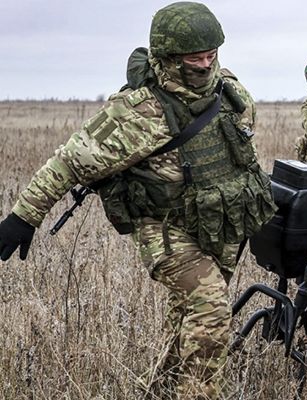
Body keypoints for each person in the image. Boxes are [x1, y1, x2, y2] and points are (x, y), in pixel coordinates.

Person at [0, 2, 276, 398]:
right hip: (166, 229)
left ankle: (160, 392)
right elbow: (68, 162)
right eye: (193, 58)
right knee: (211, 311)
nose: (204, 65)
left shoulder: (229, 90)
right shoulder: (138, 113)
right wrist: (23, 218)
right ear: (167, 57)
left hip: (219, 223)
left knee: (189, 319)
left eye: (211, 55)